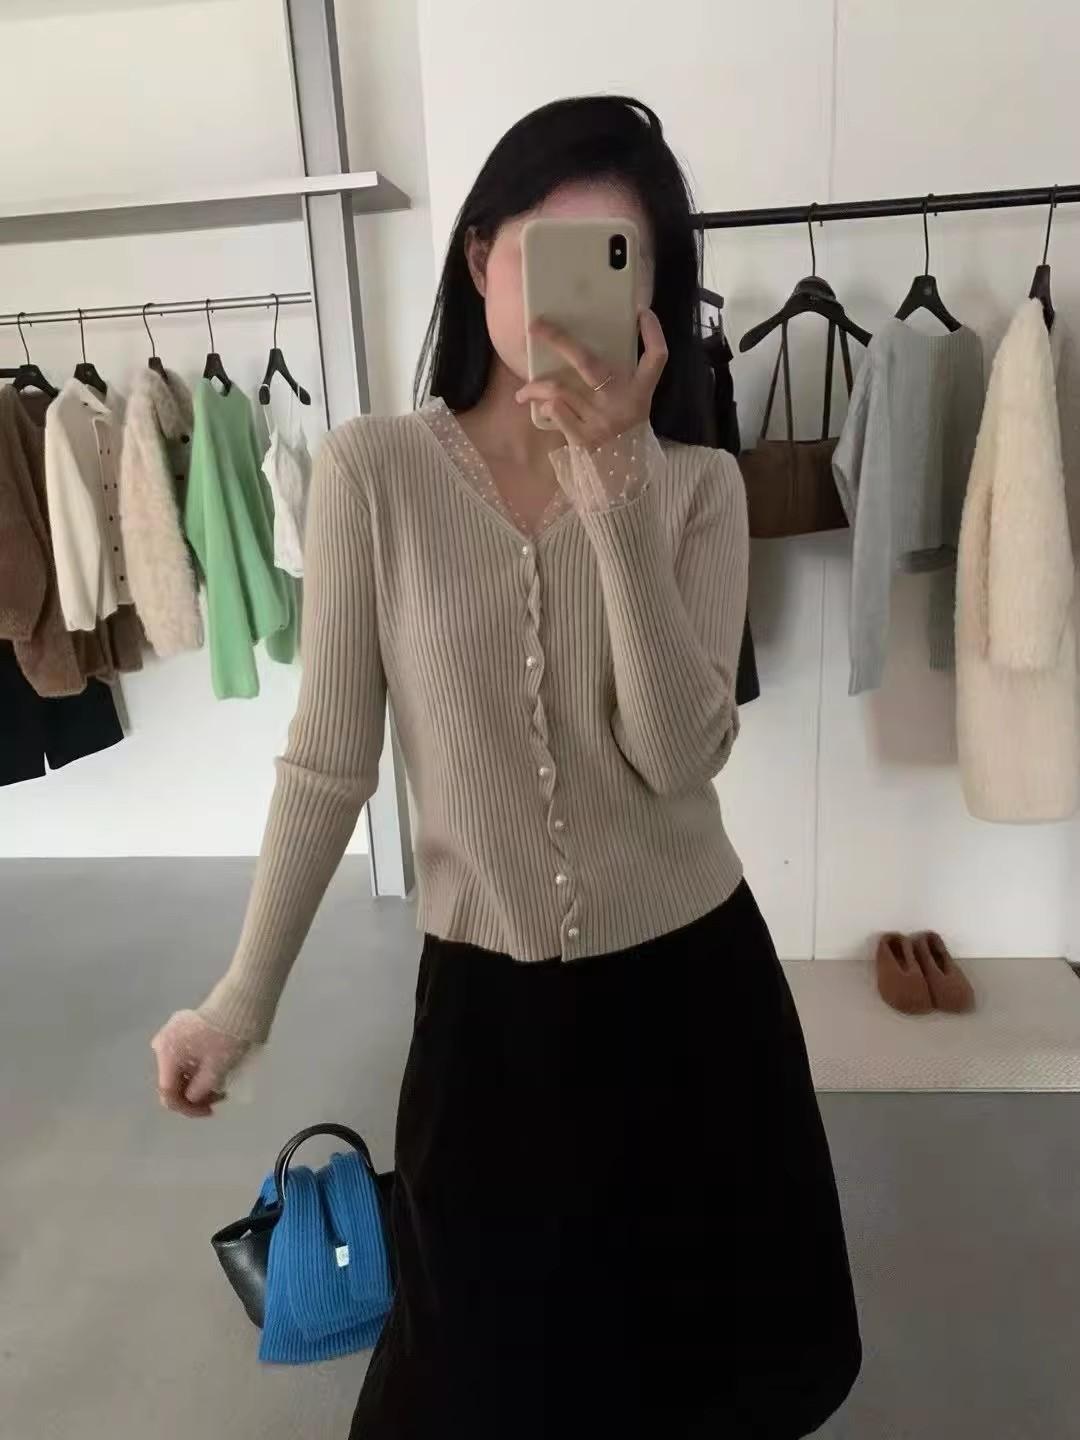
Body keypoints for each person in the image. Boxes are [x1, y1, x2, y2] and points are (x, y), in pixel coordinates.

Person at [152, 95, 861, 1439]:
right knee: (480, 1372)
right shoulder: (373, 474)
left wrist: (612, 489)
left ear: (654, 302)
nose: (572, 298)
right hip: (488, 1019)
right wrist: (238, 1005)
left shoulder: (698, 488)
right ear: (478, 255)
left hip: (693, 995)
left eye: (619, 262)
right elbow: (328, 765)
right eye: (544, 250)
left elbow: (678, 754)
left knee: (695, 1364)